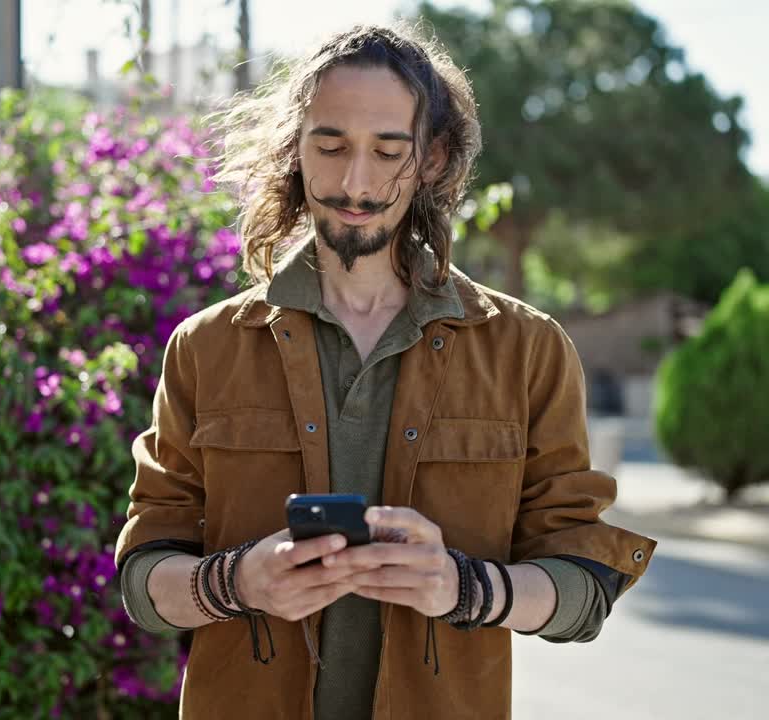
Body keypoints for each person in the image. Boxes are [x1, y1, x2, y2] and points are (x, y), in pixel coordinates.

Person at [114, 23, 656, 719]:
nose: (355, 182)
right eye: (330, 145)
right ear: (295, 150)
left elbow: (584, 585)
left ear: (431, 158)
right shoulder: (205, 347)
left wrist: (465, 588)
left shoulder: (529, 350)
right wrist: (236, 582)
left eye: (387, 151)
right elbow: (143, 579)